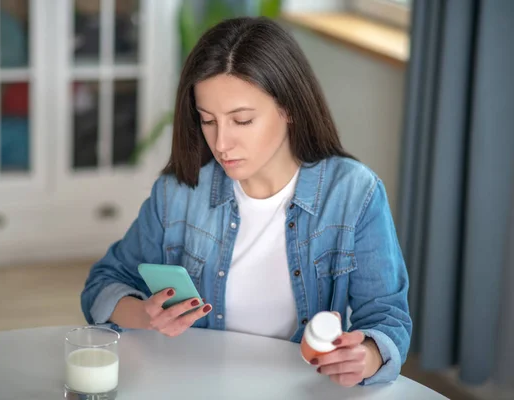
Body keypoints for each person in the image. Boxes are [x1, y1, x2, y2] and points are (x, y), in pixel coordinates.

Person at [81, 16, 412, 387]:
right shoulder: (178, 193)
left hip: (301, 389)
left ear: (288, 109)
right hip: (195, 385)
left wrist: (364, 356)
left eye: (241, 121)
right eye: (208, 121)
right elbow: (103, 284)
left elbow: (387, 318)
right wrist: (145, 314)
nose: (221, 143)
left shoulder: (354, 194)